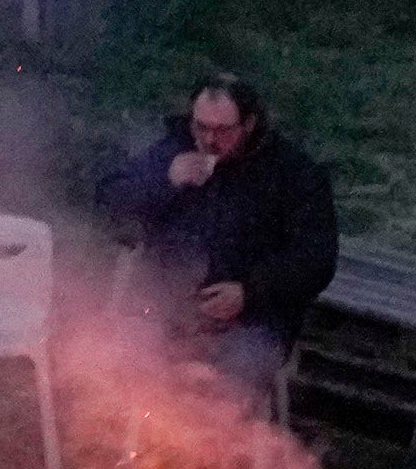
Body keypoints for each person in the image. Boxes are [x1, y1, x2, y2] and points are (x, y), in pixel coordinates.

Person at [95, 71, 338, 416]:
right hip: (169, 309)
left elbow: (316, 259)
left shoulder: (293, 174)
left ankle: (208, 464)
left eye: (222, 131)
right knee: (108, 365)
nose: (208, 140)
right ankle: (133, 459)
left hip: (253, 321)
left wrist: (249, 292)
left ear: (249, 123)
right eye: (200, 127)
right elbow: (109, 201)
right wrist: (165, 180)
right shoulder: (175, 149)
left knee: (222, 388)